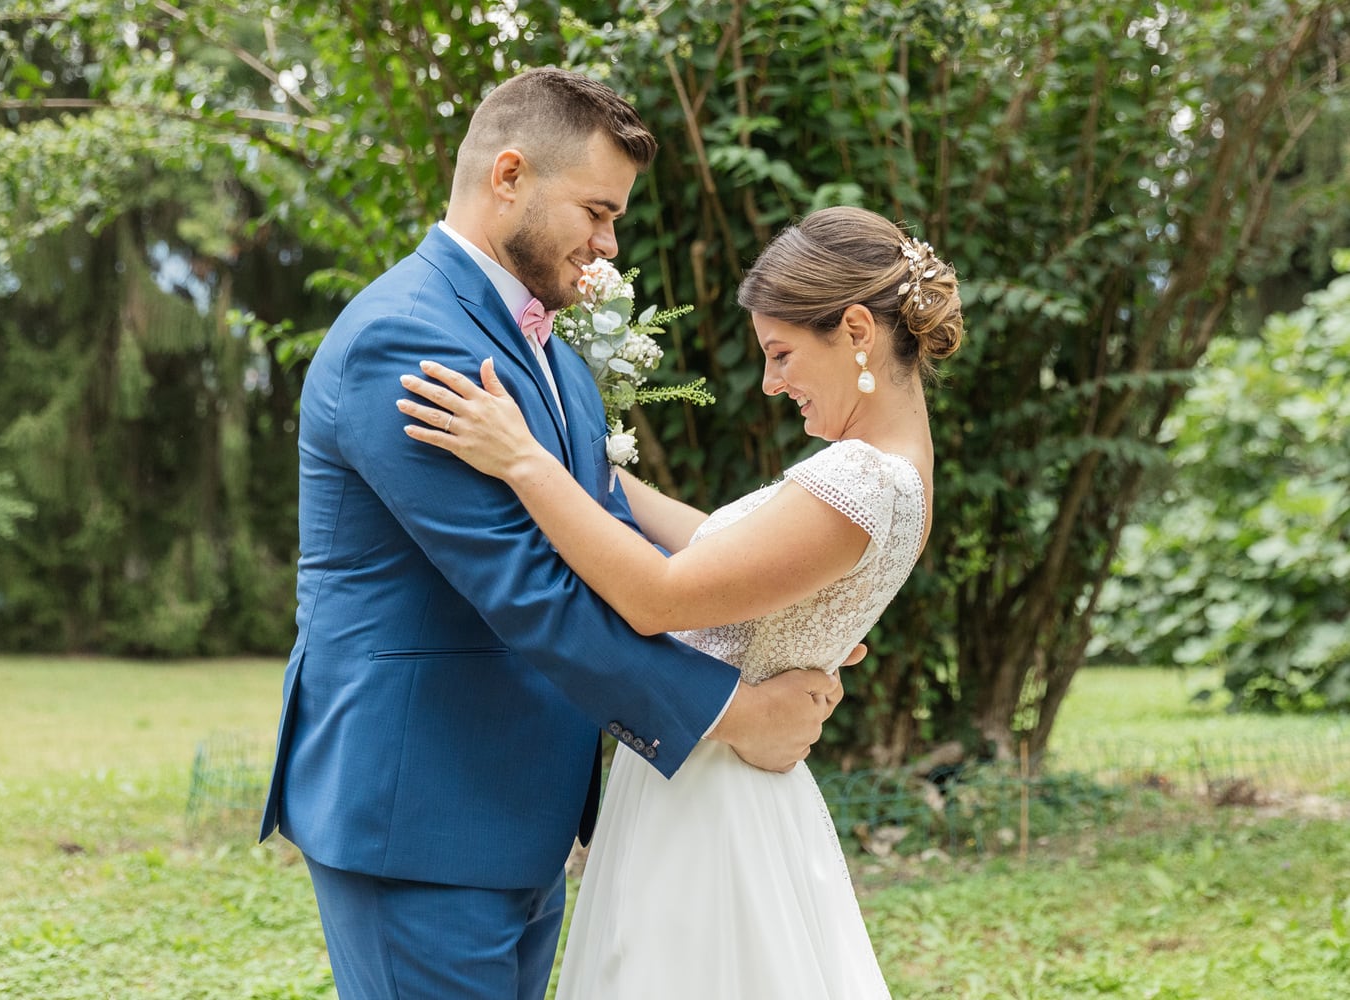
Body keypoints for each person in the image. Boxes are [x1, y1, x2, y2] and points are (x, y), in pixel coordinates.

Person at [257, 67, 851, 1000]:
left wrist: (785, 615)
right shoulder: (405, 340)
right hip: (419, 810)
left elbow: (612, 547)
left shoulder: (559, 363)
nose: (609, 246)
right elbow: (532, 590)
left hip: (522, 810)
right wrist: (737, 714)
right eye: (597, 212)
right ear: (509, 176)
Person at [399, 204, 964, 998]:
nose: (771, 384)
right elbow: (719, 550)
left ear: (857, 330)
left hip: (710, 799)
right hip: (729, 781)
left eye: (782, 354)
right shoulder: (897, 470)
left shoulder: (860, 477)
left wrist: (524, 463)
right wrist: (591, 468)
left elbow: (658, 598)